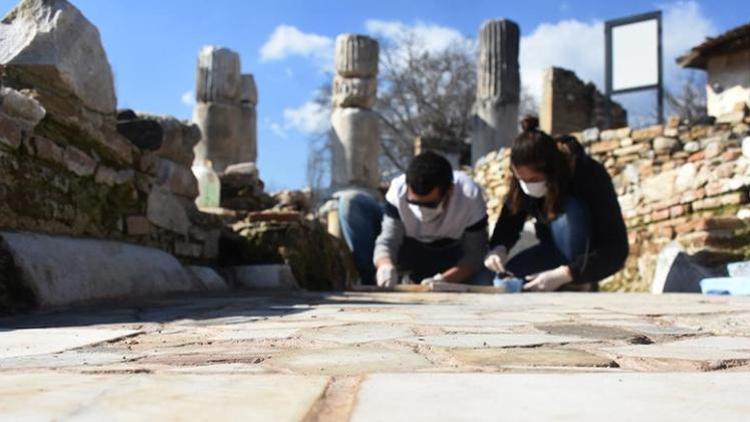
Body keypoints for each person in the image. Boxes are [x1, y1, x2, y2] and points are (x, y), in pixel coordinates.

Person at [484, 116, 628, 292]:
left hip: (583, 258)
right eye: (522, 179)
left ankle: (579, 283)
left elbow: (616, 249)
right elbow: (510, 218)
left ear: (552, 170)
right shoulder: (521, 182)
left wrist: (568, 273)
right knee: (510, 276)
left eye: (535, 179)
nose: (528, 186)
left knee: (569, 212)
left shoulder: (589, 175)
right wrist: (498, 248)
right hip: (550, 251)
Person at [373, 151, 490, 287]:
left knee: (485, 280)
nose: (422, 211)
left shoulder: (469, 195)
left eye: (430, 204)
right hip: (410, 251)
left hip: (452, 255)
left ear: (450, 190)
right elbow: (388, 240)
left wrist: (445, 280)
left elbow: (474, 255)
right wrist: (385, 266)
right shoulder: (397, 192)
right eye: (414, 203)